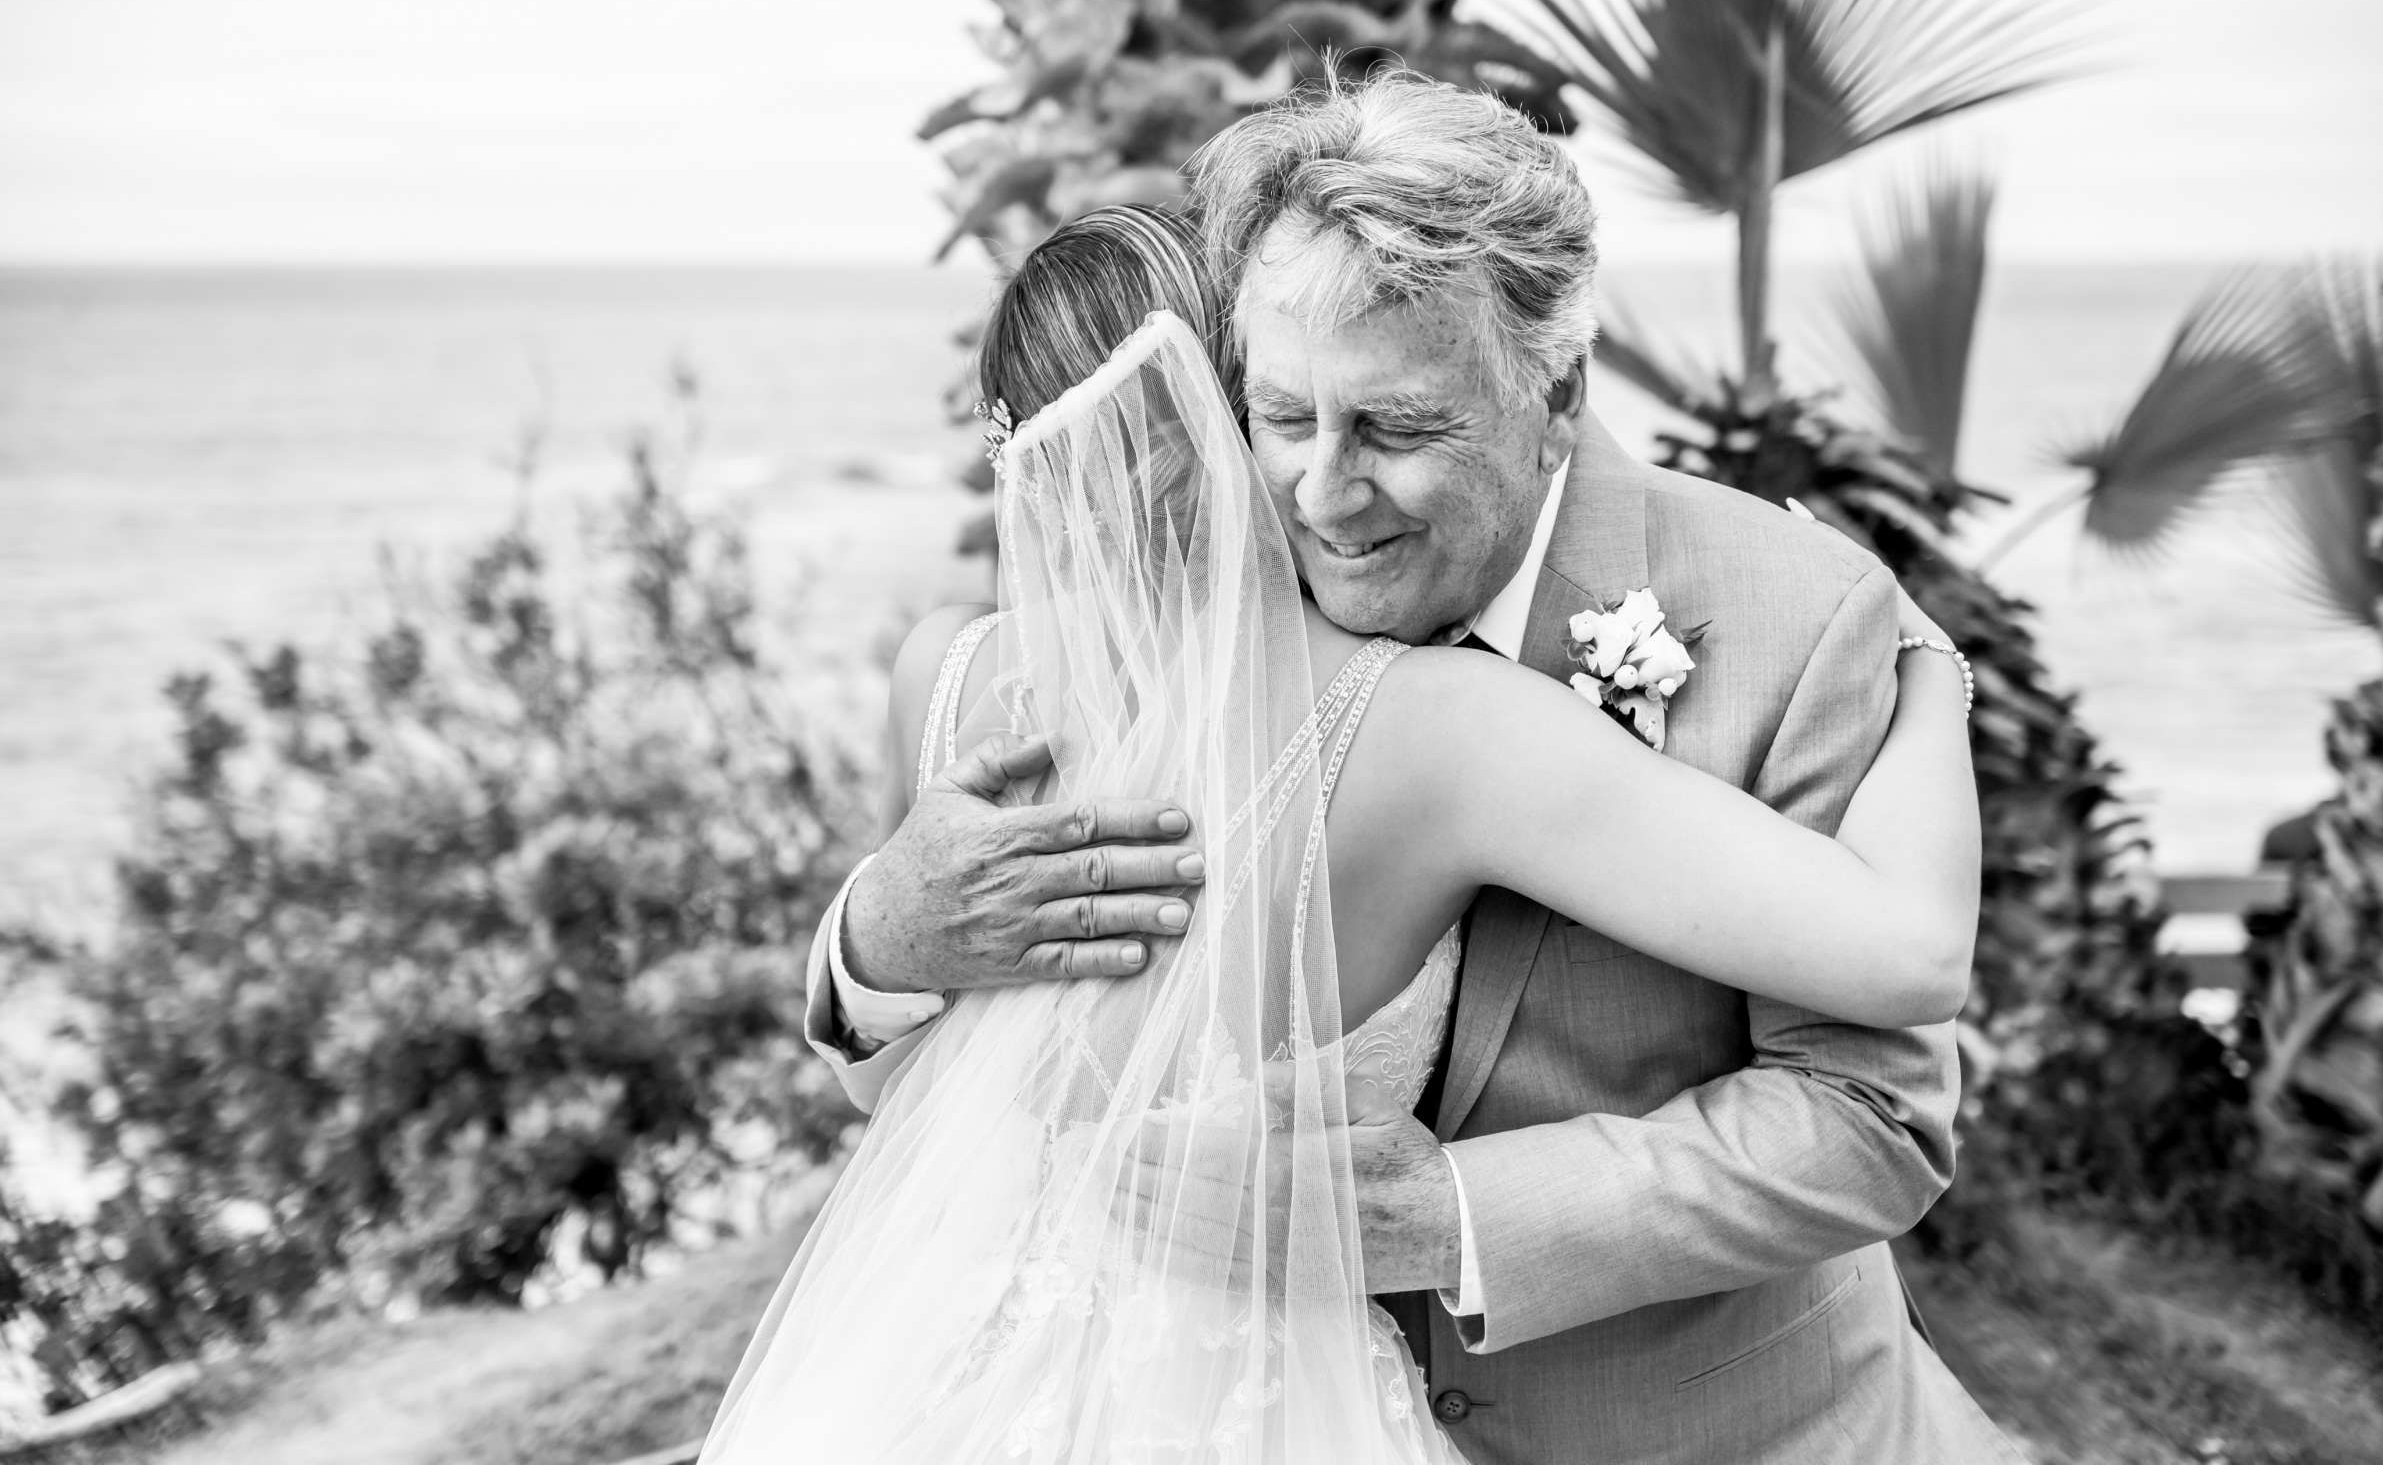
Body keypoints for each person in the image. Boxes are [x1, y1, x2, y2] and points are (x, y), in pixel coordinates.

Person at [703, 169, 1994, 1461]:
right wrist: (872, 938)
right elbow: (1909, 946)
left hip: (950, 1389)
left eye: (1386, 424)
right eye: (1287, 416)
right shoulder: (1433, 729)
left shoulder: (946, 678)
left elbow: (923, 1115)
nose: (1325, 485)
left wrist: (1450, 1212)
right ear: (1233, 410)